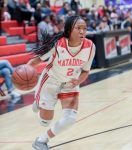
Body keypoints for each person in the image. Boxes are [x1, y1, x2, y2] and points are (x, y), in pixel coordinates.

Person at [28, 15, 95, 150]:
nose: (82, 31)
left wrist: (79, 81)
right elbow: (37, 60)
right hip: (51, 81)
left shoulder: (90, 47)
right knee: (45, 121)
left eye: (84, 29)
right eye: (78, 28)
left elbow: (85, 71)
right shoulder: (58, 44)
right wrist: (24, 70)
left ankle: (42, 140)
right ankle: (38, 101)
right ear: (70, 30)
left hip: (70, 84)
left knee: (70, 119)